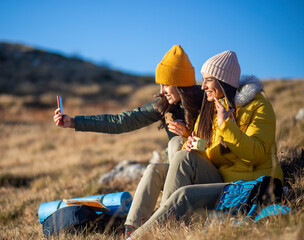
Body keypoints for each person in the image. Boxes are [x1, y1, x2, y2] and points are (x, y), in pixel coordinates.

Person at [127, 50, 283, 239]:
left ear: (223, 80)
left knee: (183, 195)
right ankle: (131, 228)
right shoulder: (214, 106)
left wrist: (226, 125)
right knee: (156, 169)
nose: (203, 87)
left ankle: (148, 234)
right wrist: (195, 144)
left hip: (245, 186)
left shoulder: (258, 107)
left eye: (208, 80)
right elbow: (216, 151)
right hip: (220, 179)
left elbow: (256, 153)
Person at [53, 44, 204, 233]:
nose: (162, 90)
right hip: (176, 177)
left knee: (175, 143)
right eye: (160, 84)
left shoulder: (207, 102)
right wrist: (74, 122)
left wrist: (188, 135)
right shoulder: (165, 105)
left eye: (166, 84)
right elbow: (121, 122)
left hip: (203, 175)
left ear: (180, 83)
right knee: (153, 169)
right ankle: (132, 229)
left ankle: (166, 220)